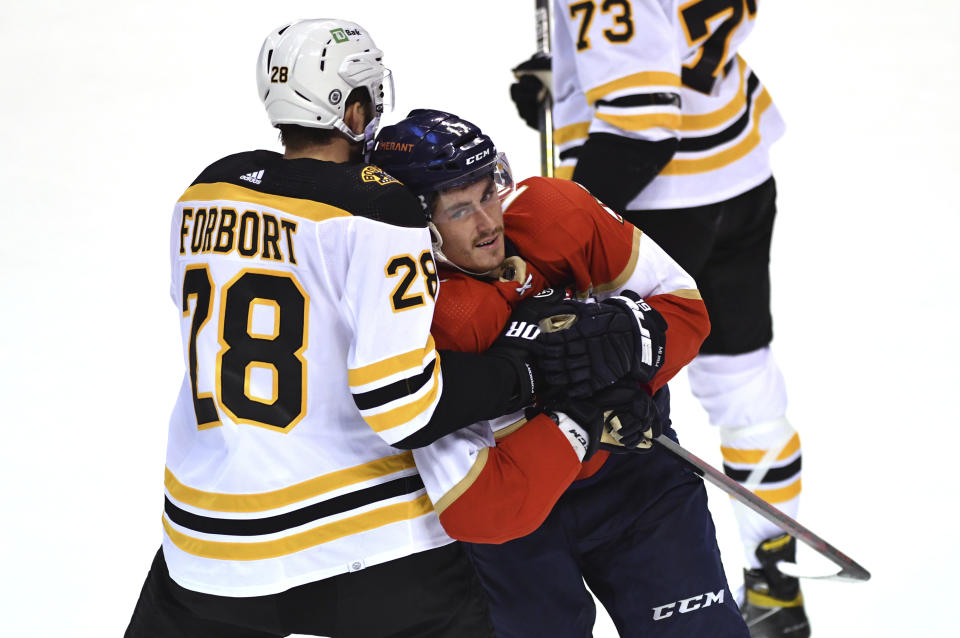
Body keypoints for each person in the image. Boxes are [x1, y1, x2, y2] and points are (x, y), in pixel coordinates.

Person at [124, 19, 632, 638]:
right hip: (366, 549)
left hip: (210, 549)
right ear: (355, 107)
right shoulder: (380, 207)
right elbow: (402, 405)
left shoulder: (202, 191)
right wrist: (531, 371)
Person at [371, 109, 749, 637]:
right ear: (418, 223)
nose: (488, 223)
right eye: (461, 210)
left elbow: (686, 309)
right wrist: (587, 412)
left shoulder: (556, 212)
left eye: (488, 192)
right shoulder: (412, 317)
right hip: (520, 533)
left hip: (637, 478)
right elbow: (477, 508)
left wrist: (623, 339)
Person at [510, 3, 809, 636]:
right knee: (742, 376)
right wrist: (573, 77)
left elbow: (640, 125)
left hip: (660, 205)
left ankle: (652, 583)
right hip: (738, 172)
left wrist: (559, 232)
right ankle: (774, 578)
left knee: (602, 387)